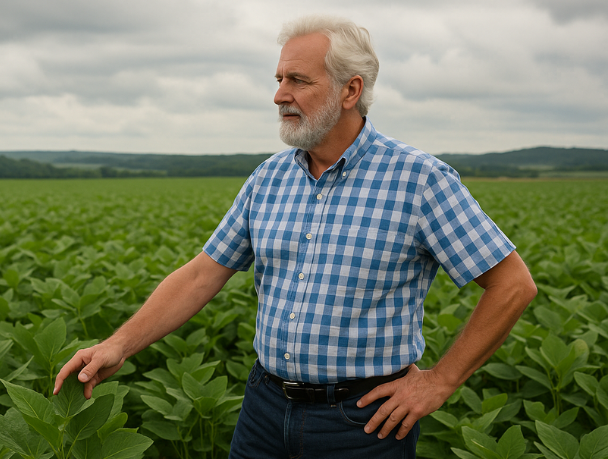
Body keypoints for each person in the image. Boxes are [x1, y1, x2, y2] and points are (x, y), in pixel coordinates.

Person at [54, 15, 536, 458]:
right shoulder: (269, 178)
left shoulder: (419, 179)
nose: (280, 95)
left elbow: (512, 284)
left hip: (363, 423)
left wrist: (441, 380)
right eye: (279, 79)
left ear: (350, 90)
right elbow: (203, 274)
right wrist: (119, 344)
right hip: (264, 409)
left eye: (298, 81)